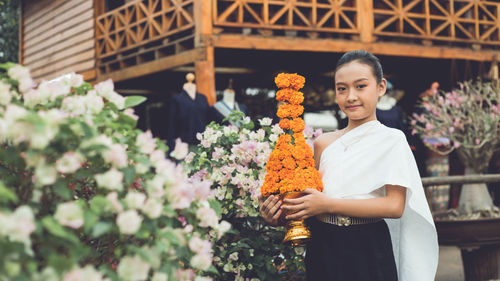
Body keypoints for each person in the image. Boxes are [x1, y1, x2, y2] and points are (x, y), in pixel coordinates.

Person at [258, 50, 438, 281]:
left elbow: (394, 206)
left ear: (381, 87)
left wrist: (328, 204)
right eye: (342, 89)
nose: (350, 96)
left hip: (368, 245)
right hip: (324, 244)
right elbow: (311, 203)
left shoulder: (392, 140)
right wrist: (279, 217)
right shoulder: (323, 143)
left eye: (360, 86)